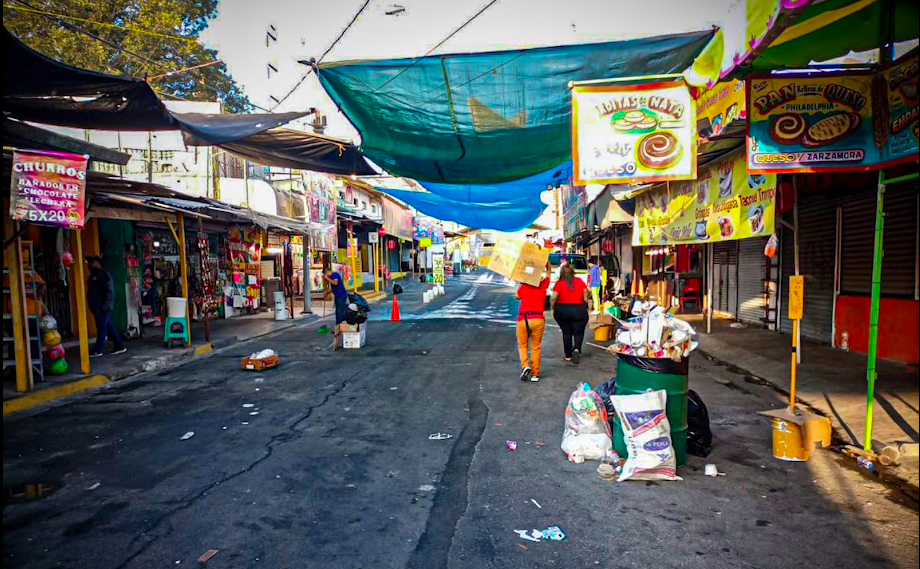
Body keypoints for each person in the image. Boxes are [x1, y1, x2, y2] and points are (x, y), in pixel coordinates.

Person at [514, 262, 551, 382]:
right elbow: (549, 274)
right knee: (536, 347)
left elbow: (517, 296)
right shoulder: (543, 284)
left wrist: (523, 281)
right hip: (538, 319)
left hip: (523, 319)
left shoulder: (525, 286)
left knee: (522, 345)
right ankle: (535, 375)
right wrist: (547, 264)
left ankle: (525, 366)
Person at [85, 255, 126, 357]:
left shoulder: (103, 275)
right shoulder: (93, 275)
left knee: (102, 328)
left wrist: (106, 305)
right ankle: (119, 346)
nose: (90, 264)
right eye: (89, 262)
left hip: (102, 307)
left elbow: (109, 291)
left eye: (92, 262)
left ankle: (97, 350)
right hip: (97, 307)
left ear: (98, 263)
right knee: (109, 326)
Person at [551, 263, 589, 364]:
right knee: (579, 332)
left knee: (566, 332)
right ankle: (576, 349)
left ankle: (568, 356)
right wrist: (585, 304)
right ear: (573, 273)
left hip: (562, 310)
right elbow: (585, 293)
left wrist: (552, 308)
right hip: (579, 309)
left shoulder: (559, 283)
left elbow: (553, 297)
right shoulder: (579, 281)